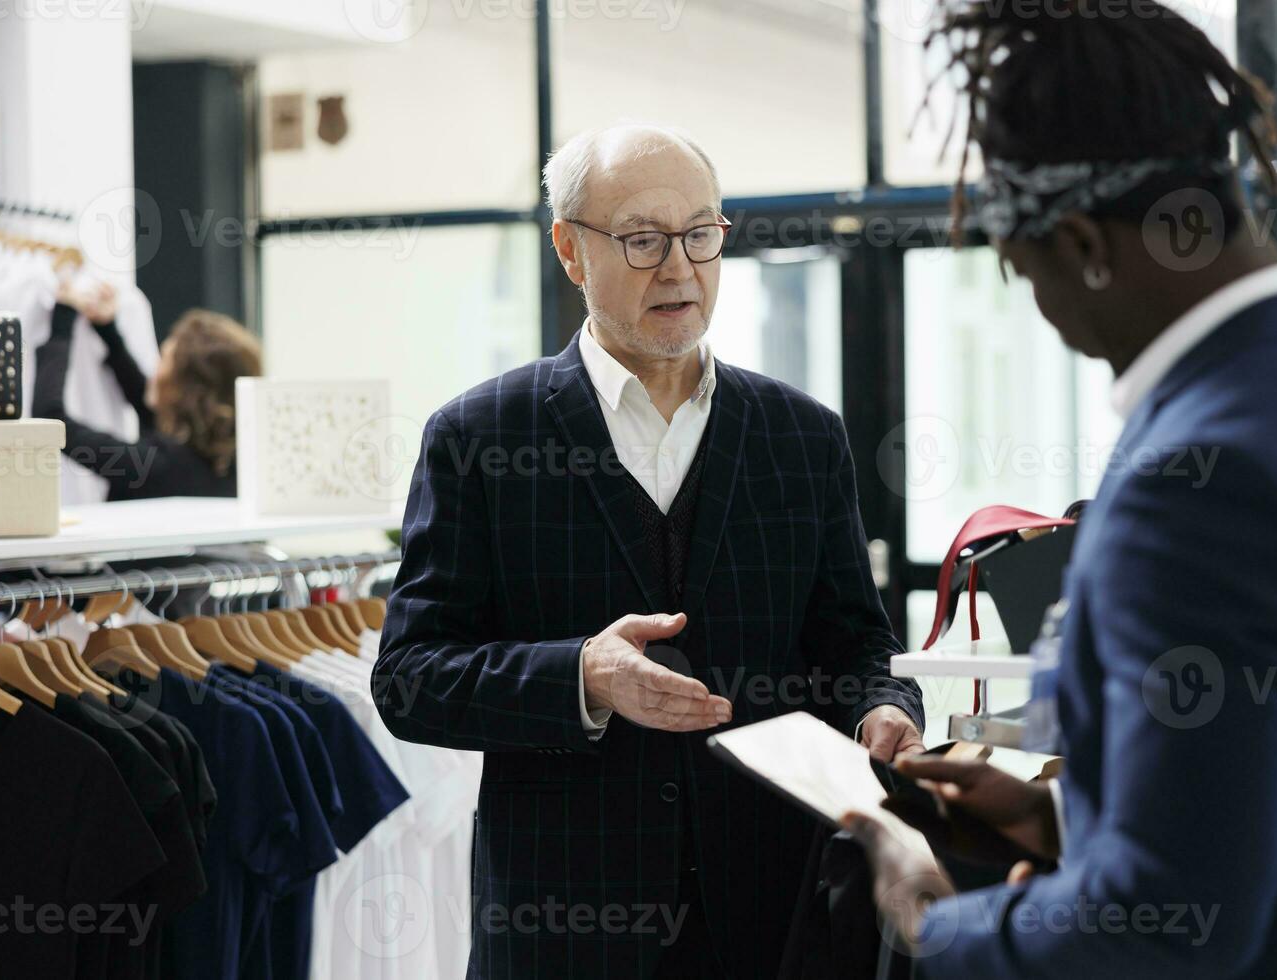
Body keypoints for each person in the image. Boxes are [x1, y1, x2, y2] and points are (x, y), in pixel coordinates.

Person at [843, 2, 1277, 977]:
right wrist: (1057, 811)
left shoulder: (1197, 481)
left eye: (1023, 267)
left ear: (1084, 241)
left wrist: (930, 916)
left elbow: (1165, 925)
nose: (1041, 310)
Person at [374, 123, 926, 979]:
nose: (679, 267)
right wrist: (582, 675)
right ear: (569, 249)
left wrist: (884, 710)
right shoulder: (480, 437)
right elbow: (410, 678)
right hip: (563, 929)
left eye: (701, 234)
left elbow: (857, 645)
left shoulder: (802, 437)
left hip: (777, 920)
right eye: (641, 240)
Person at [32, 283, 261, 500]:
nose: (154, 371)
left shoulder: (156, 467)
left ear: (183, 390)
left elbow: (52, 421)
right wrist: (108, 331)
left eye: (164, 360)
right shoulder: (229, 463)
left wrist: (62, 322)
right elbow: (145, 402)